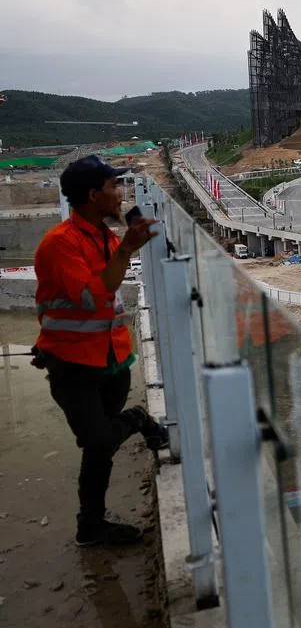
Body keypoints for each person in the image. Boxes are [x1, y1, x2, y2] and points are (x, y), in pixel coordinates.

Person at [32, 156, 169, 548]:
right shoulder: (61, 244)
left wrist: (125, 244)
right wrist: (126, 249)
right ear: (93, 195)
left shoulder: (104, 237)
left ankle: (90, 526)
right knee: (97, 441)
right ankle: (140, 419)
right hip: (73, 365)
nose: (120, 194)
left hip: (112, 360)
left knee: (99, 450)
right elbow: (94, 296)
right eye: (113, 187)